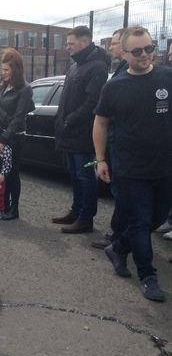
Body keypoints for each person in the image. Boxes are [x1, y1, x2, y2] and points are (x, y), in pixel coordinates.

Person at [93, 25, 172, 302]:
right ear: (123, 54)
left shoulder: (167, 77)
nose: (144, 55)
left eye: (149, 48)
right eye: (137, 51)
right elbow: (100, 123)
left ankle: (118, 247)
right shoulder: (114, 86)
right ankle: (148, 276)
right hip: (129, 168)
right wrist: (101, 159)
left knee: (158, 218)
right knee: (139, 222)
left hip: (164, 166)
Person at [52, 25, 111, 233]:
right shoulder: (76, 65)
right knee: (75, 174)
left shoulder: (97, 67)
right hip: (70, 134)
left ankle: (86, 219)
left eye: (70, 43)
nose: (67, 47)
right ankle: (76, 211)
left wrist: (69, 120)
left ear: (84, 42)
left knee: (86, 176)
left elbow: (93, 102)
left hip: (84, 135)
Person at [91, 28, 129, 249]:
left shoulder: (124, 75)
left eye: (114, 43)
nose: (111, 47)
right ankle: (119, 235)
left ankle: (119, 239)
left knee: (122, 194)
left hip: (121, 144)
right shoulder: (120, 71)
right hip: (116, 142)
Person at [0, 48, 35, 220]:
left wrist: (3, 138)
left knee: (11, 172)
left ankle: (14, 208)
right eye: (2, 69)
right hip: (0, 133)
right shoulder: (4, 85)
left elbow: (18, 118)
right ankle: (2, 205)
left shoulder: (25, 89)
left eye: (6, 70)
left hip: (14, 137)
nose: (3, 73)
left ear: (16, 69)